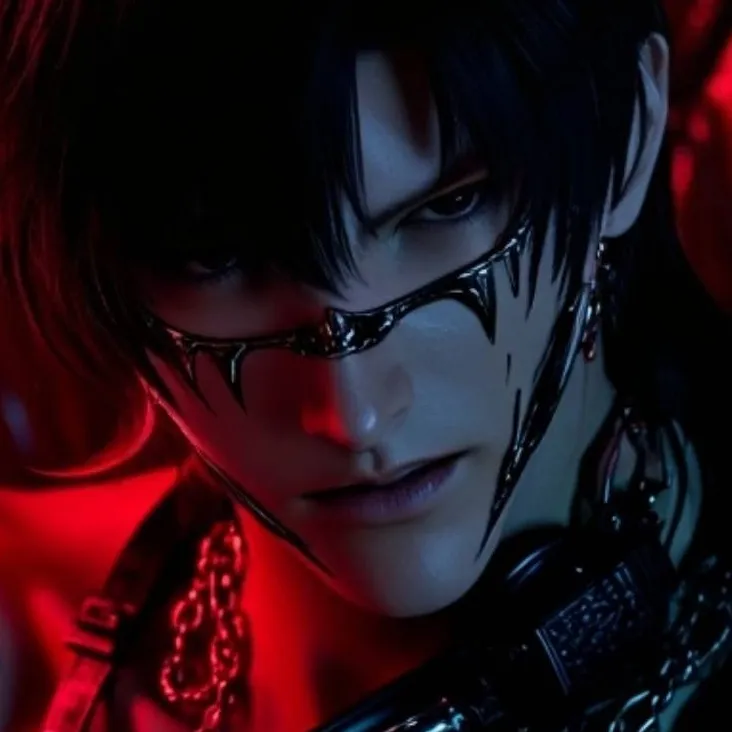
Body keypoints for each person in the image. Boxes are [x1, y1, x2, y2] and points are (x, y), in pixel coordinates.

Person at [0, 0, 730, 730]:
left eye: (448, 206)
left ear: (626, 139)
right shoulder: (30, 644)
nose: (354, 415)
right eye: (215, 259)